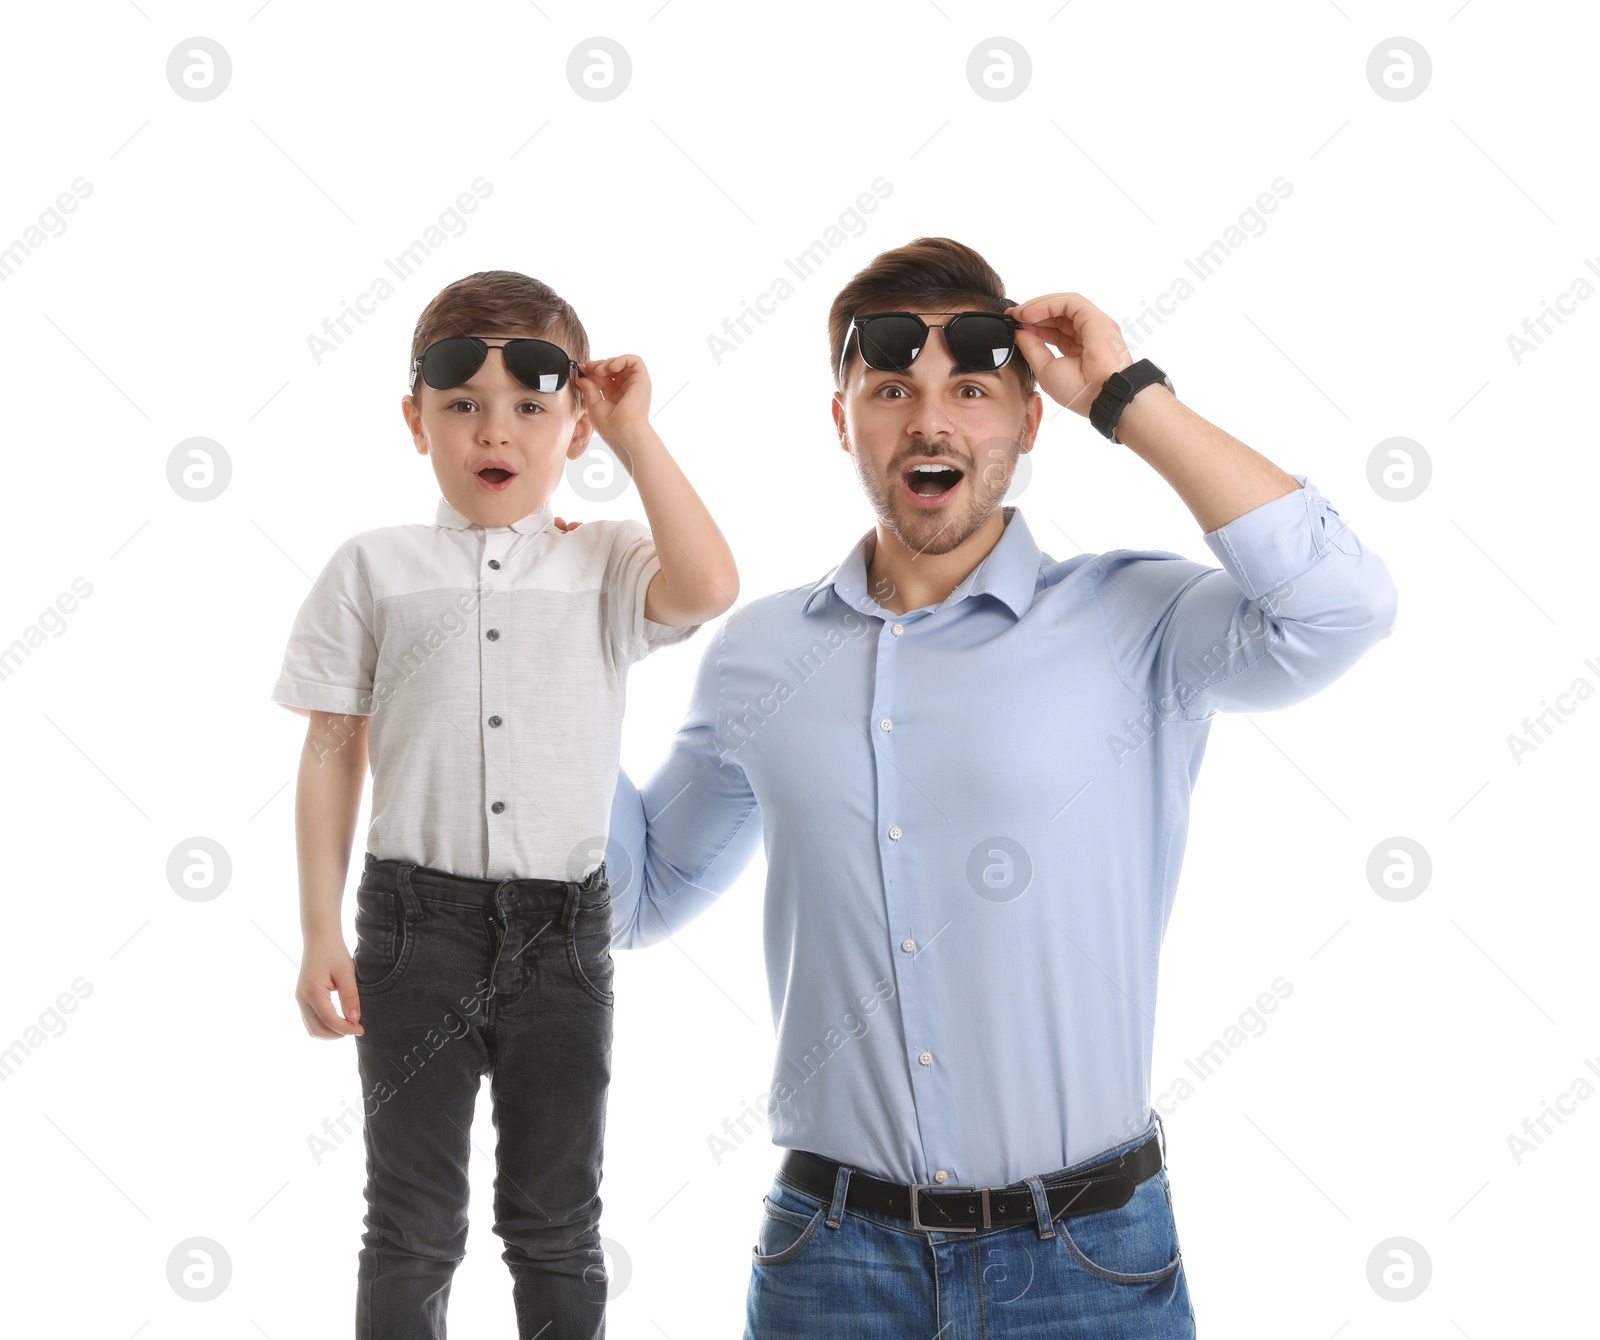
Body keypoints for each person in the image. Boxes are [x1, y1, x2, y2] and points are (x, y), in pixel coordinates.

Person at [603, 237, 1399, 1338]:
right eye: (891, 390)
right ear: (843, 422)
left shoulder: (1137, 620)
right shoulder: (759, 652)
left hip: (1085, 1260)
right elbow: (634, 900)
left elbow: (1341, 605)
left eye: (970, 390)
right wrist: (557, 667)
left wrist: (1125, 396)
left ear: (1029, 422)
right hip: (829, 1263)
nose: (930, 423)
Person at [271, 269, 738, 1340]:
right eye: (463, 405)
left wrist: (634, 434)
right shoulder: (372, 568)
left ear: (572, 427)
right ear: (416, 420)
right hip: (410, 928)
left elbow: (709, 586)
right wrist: (315, 928)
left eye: (532, 406)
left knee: (556, 1221)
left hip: (561, 934)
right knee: (410, 1223)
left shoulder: (608, 559)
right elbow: (331, 748)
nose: (497, 430)